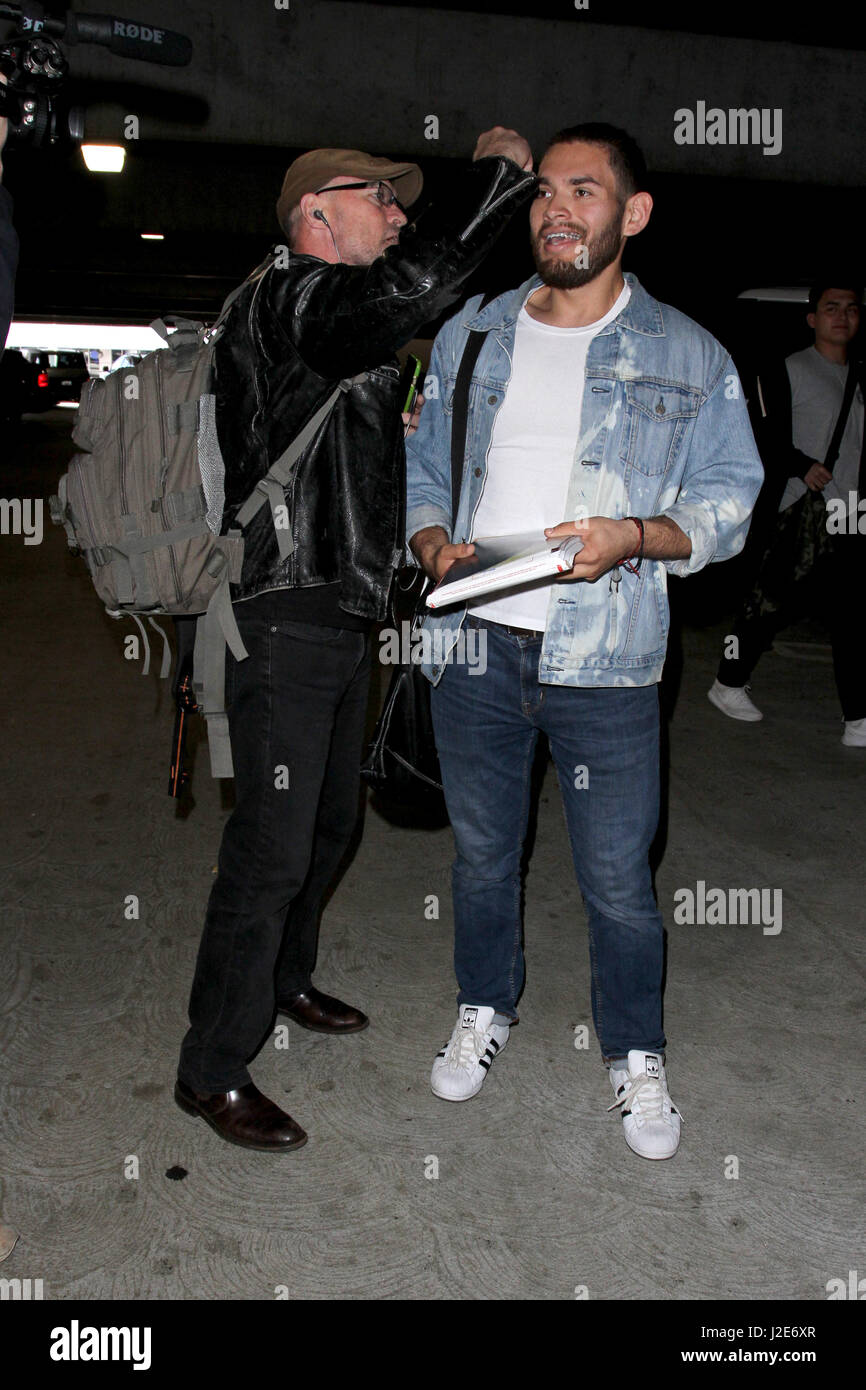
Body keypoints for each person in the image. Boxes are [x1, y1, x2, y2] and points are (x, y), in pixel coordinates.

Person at [405, 123, 763, 1161]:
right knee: (481, 858)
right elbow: (425, 457)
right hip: (475, 640)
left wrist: (635, 539)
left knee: (615, 881)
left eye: (583, 190)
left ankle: (634, 1051)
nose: (556, 209)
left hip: (606, 661)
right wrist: (429, 534)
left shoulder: (688, 354)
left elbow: (729, 501)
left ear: (631, 213)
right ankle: (484, 1004)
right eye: (542, 193)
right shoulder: (472, 333)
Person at [175, 128, 537, 1152]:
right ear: (314, 213)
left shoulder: (335, 322)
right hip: (282, 617)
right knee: (269, 852)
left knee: (329, 829)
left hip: (338, 613)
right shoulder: (290, 295)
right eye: (378, 195)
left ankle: (285, 981)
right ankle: (209, 1068)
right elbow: (409, 290)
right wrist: (498, 184)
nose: (397, 211)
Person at [707, 285, 865, 744]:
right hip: (801, 506)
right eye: (831, 309)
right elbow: (761, 435)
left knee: (853, 615)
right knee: (769, 606)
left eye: (851, 309)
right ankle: (728, 682)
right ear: (812, 319)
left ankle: (857, 717)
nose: (842, 317)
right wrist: (801, 465)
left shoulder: (858, 376)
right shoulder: (792, 369)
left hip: (851, 510)